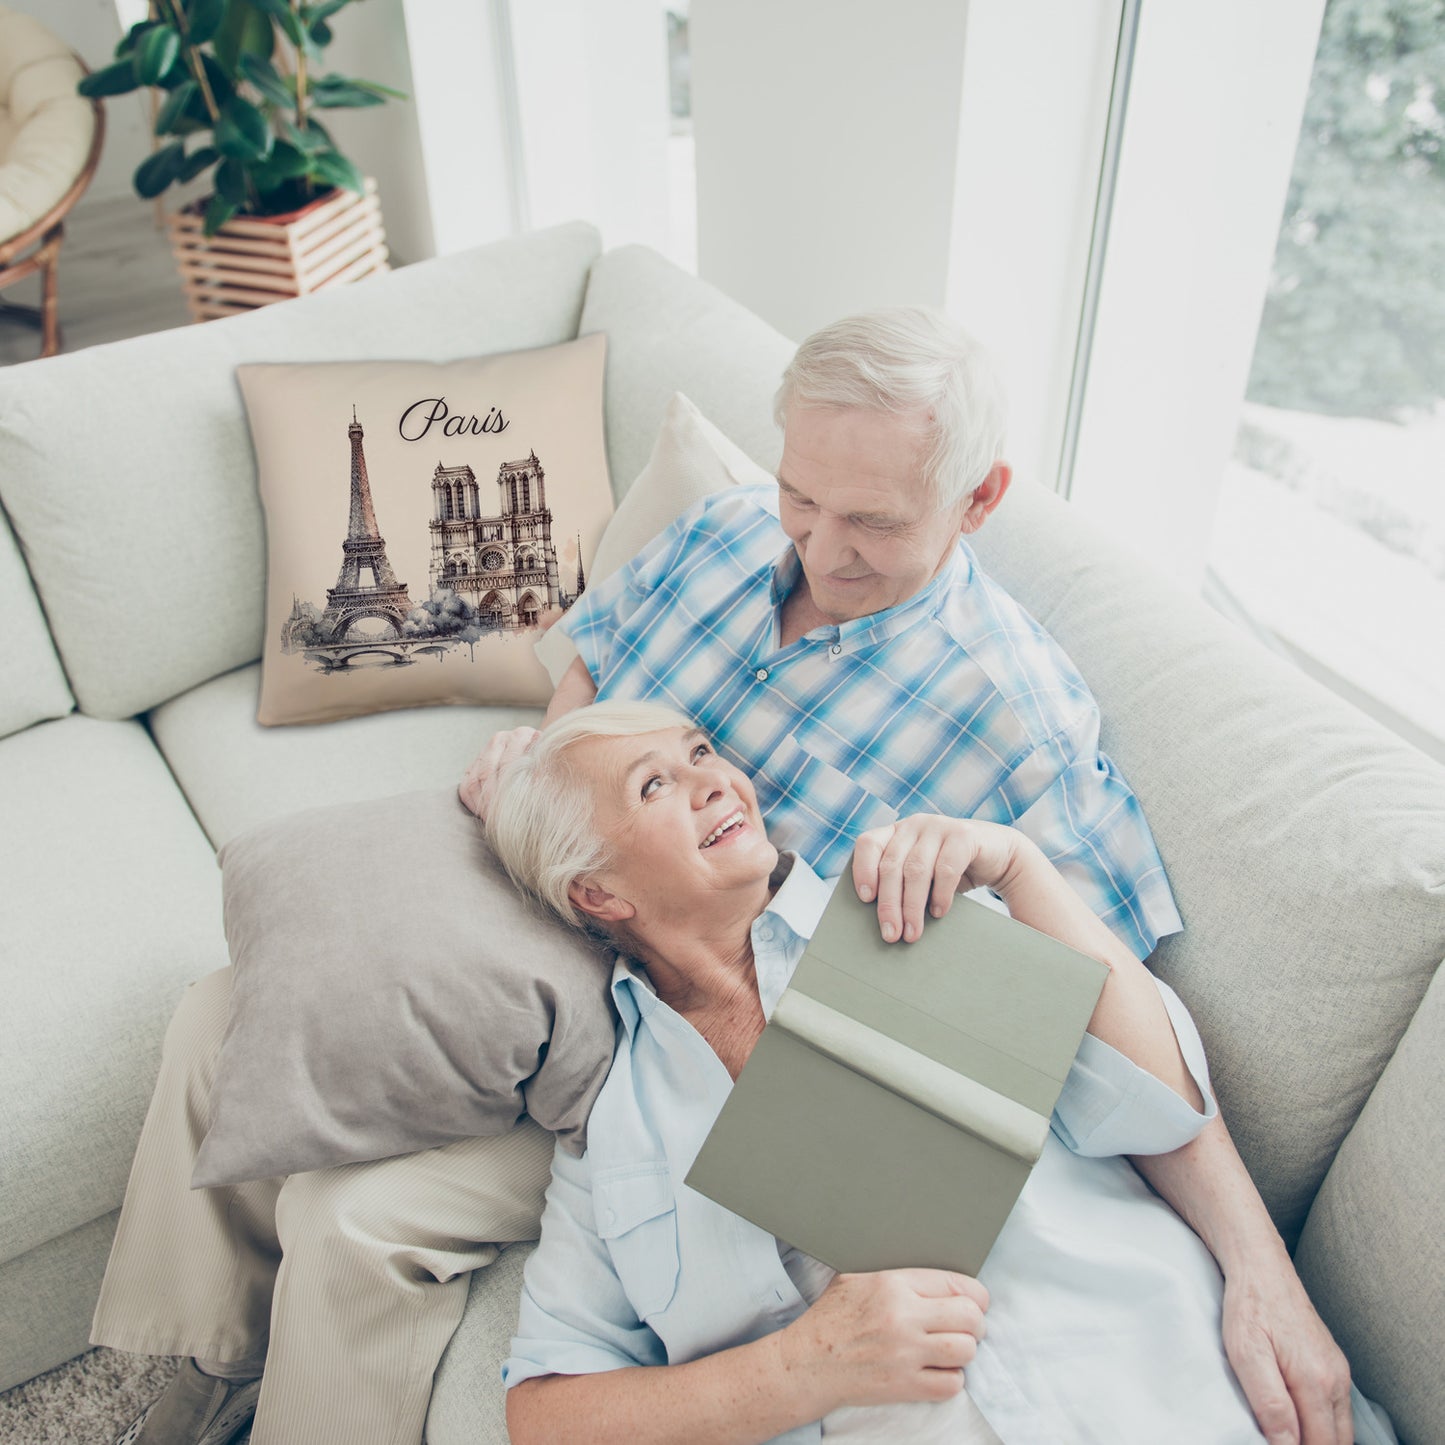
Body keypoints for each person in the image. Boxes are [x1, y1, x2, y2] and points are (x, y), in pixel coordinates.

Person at [94, 309, 1348, 1445]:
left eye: (871, 520)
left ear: (976, 501)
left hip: (695, 1014)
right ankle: (192, 1363)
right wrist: (546, 764)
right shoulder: (724, 532)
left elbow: (1103, 1020)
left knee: (355, 1219)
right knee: (229, 1008)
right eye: (804, 495)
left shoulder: (1016, 724)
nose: (818, 544)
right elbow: (591, 670)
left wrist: (1260, 1267)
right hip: (580, 887)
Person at [486, 701, 1379, 1445]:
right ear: (597, 893)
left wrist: (1021, 868)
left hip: (1172, 1389)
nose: (714, 779)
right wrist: (801, 1367)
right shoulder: (614, 1132)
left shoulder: (908, 906)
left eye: (700, 752)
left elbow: (1158, 1104)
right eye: (655, 785)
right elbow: (545, 1413)